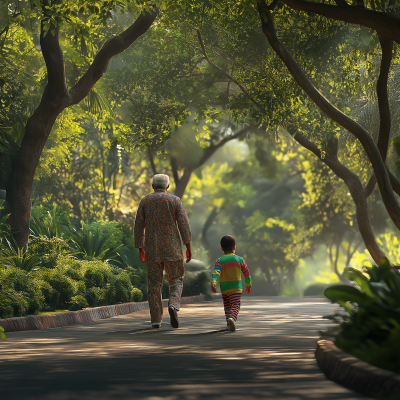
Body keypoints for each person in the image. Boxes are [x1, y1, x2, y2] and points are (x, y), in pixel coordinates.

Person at [134, 174, 192, 329]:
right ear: (167, 186)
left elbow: (139, 225)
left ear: (153, 186)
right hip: (172, 248)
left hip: (152, 248)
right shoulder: (175, 201)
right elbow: (183, 224)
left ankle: (155, 320)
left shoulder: (146, 201)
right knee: (176, 279)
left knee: (154, 283)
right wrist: (188, 246)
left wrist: (140, 248)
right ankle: (173, 305)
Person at [211, 235, 252, 332]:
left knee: (227, 306)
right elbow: (246, 273)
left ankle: (228, 324)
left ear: (222, 248)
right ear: (234, 247)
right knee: (236, 305)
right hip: (236, 289)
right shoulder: (240, 260)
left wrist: (213, 282)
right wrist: (248, 285)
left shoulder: (220, 261)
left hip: (225, 289)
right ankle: (232, 319)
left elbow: (216, 272)